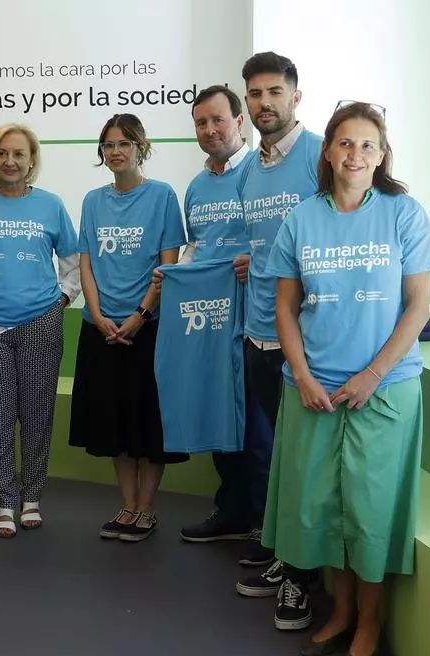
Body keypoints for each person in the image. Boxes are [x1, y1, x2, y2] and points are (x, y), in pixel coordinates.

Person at [264, 101, 430, 656]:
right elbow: (285, 308)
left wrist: (373, 374)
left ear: (383, 155)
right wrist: (303, 375)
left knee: (369, 510)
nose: (355, 154)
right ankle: (338, 615)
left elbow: (417, 307)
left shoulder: (404, 214)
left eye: (368, 145)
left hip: (384, 389)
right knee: (322, 508)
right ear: (327, 151)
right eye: (345, 143)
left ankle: (369, 623)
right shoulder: (301, 219)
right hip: (312, 389)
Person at [232, 53, 324, 632]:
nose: (264, 102)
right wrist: (251, 258)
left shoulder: (320, 155)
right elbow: (266, 242)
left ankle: (301, 580)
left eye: (274, 92)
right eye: (255, 94)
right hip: (258, 332)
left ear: (295, 96)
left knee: (303, 465)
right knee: (275, 459)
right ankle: (283, 556)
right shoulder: (250, 169)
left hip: (308, 342)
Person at [0, 123, 81, 537]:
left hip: (40, 322)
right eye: (2, 153)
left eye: (18, 154)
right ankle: (5, 502)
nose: (10, 161)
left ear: (31, 161)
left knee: (37, 414)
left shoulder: (51, 206)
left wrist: (62, 299)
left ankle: (31, 498)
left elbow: (73, 263)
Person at [69, 113, 187, 543]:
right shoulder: (92, 200)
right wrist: (98, 314)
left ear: (141, 147)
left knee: (148, 425)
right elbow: (85, 264)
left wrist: (140, 315)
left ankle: (146, 509)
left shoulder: (162, 196)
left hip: (148, 330)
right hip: (101, 329)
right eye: (108, 144)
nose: (115, 151)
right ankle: (128, 505)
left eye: (124, 143)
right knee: (113, 425)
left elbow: (168, 265)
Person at [175, 85, 265, 546]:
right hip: (209, 323)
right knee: (219, 418)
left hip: (257, 323)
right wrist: (175, 276)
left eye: (218, 120)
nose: (209, 129)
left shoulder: (261, 173)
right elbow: (197, 249)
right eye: (201, 123)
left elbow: (281, 239)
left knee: (258, 427)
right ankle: (230, 512)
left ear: (239, 121)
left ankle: (265, 525)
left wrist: (258, 261)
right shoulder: (195, 186)